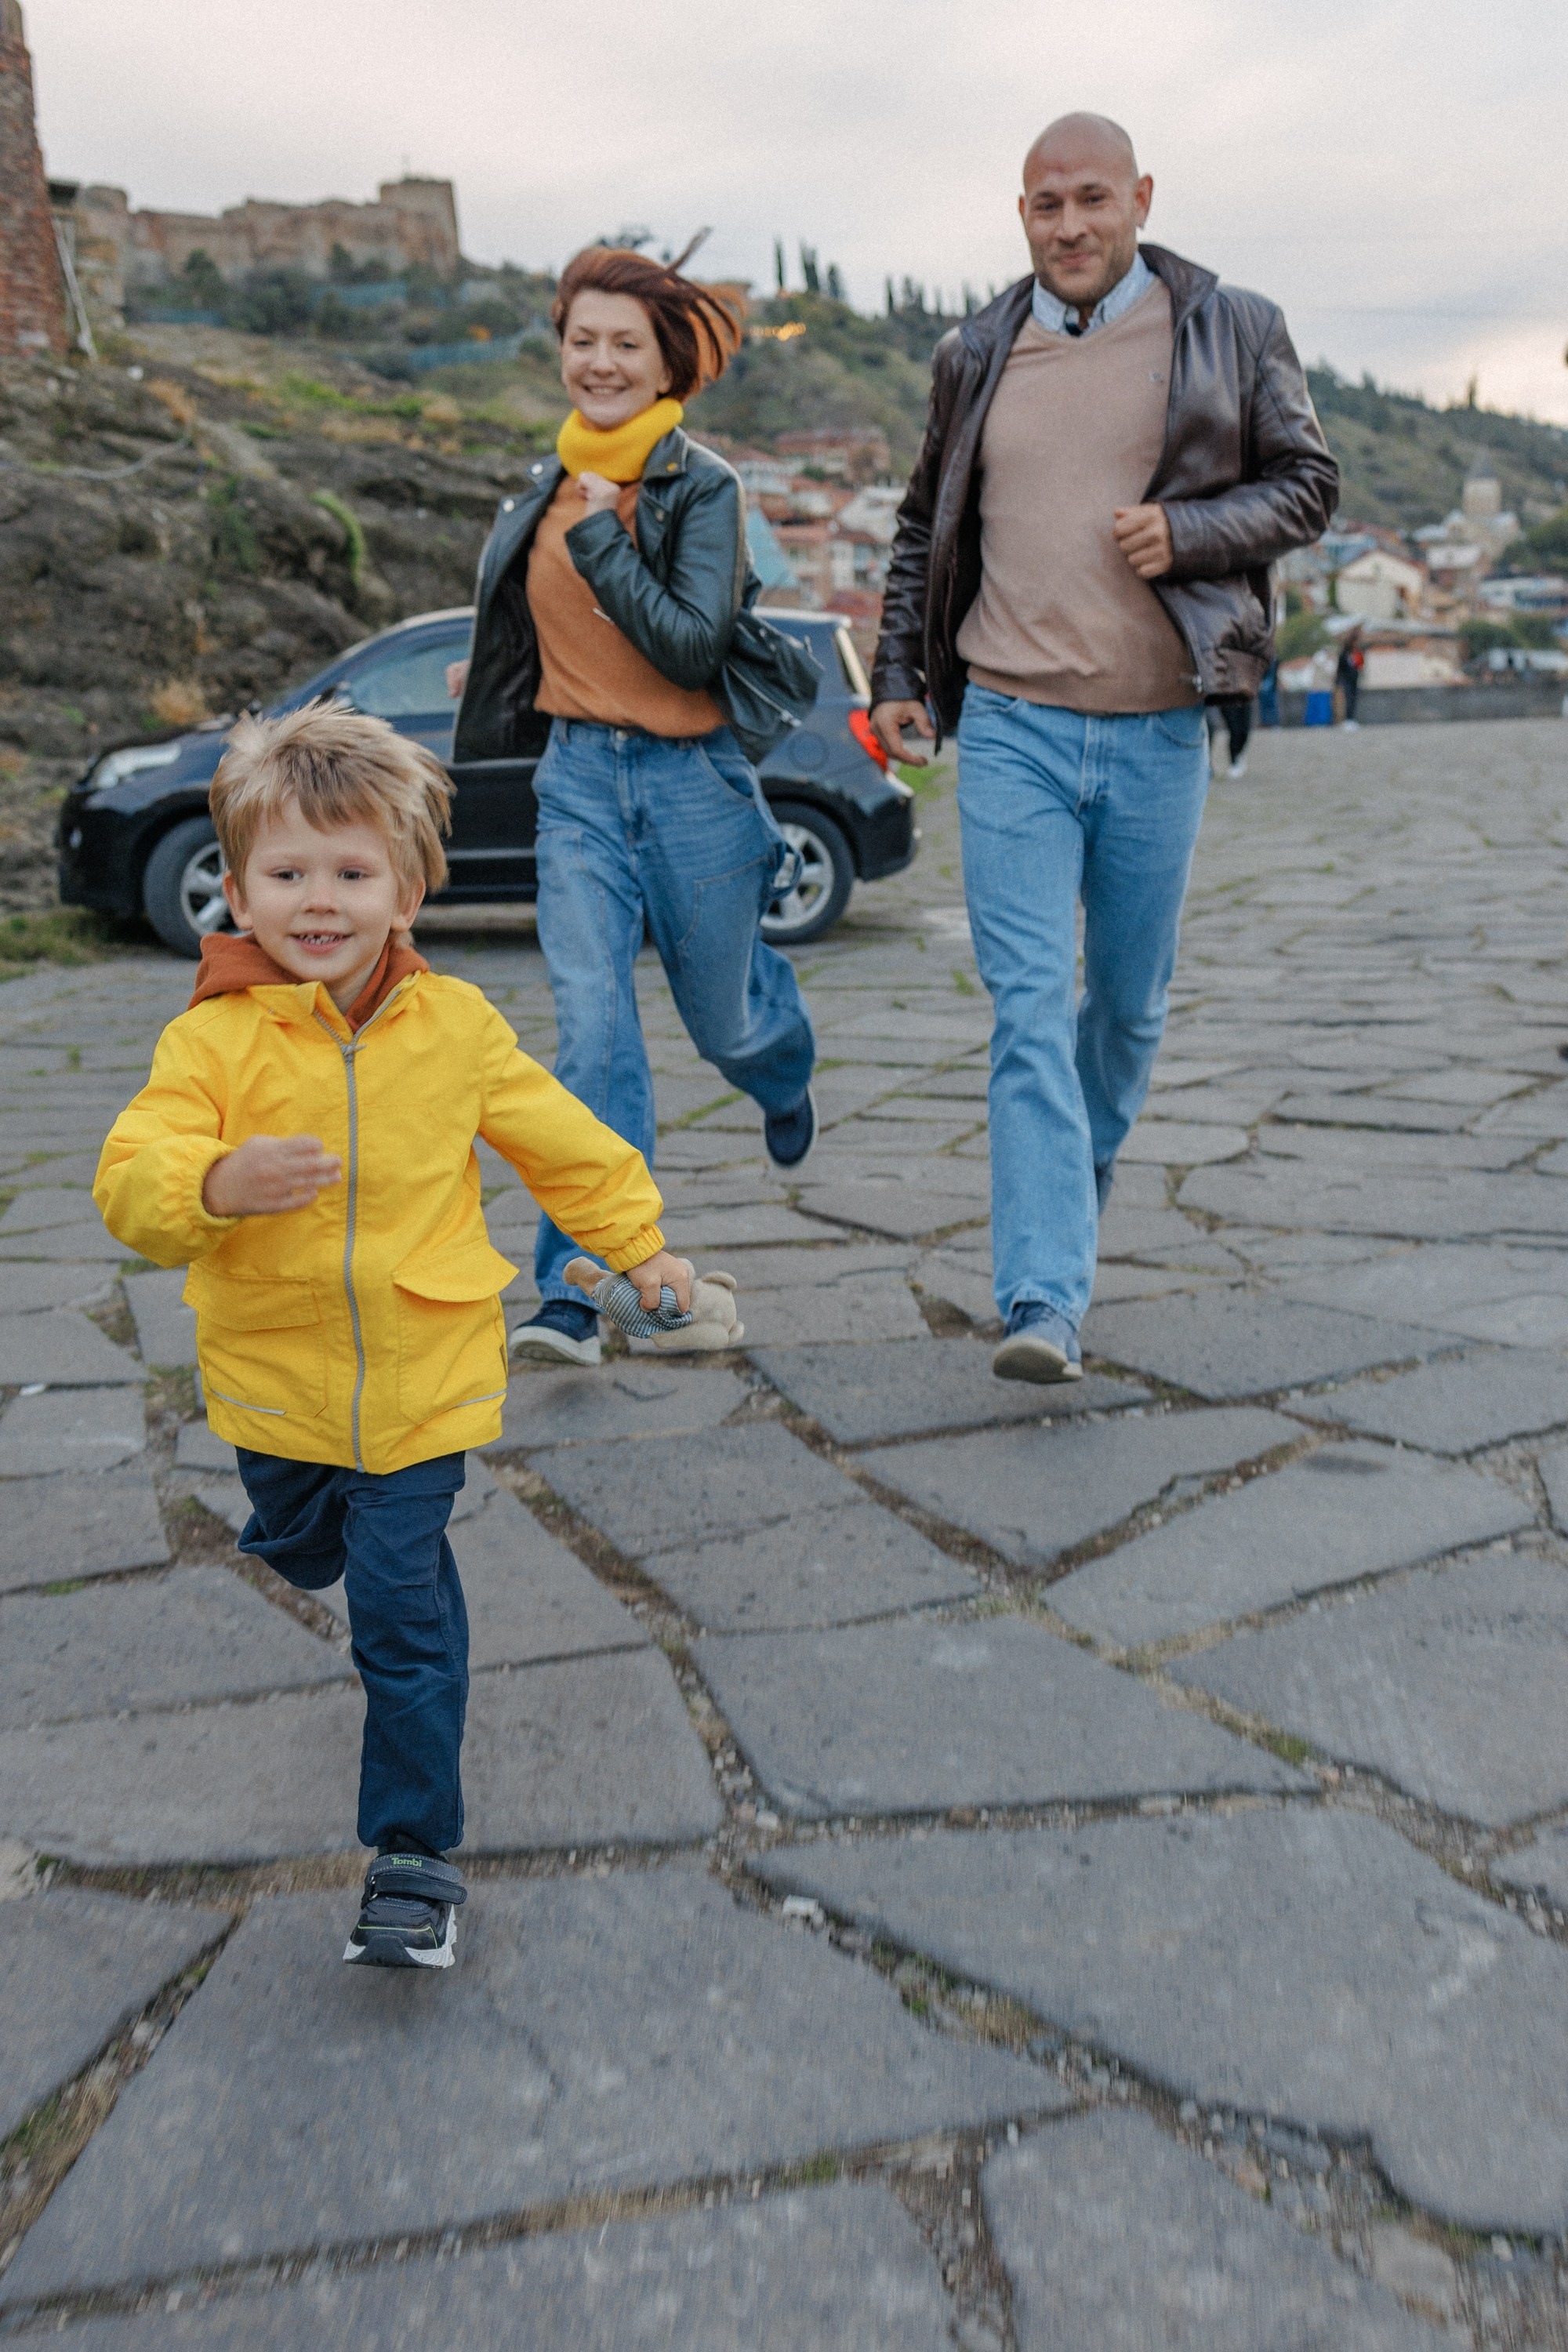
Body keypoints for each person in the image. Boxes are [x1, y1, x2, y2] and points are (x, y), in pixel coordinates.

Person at [94, 704, 691, 1969]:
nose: (320, 900)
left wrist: (638, 1247)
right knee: (308, 1548)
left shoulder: (460, 1029)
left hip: (425, 1375)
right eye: (288, 873)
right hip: (273, 1385)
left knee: (400, 1616)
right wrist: (210, 1183)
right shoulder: (210, 1040)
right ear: (239, 889)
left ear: (410, 887)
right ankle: (317, 1536)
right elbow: (130, 1174)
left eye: (352, 873)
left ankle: (414, 1858)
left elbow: (561, 1141)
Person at [869, 111, 1337, 1383]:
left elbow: (1309, 485)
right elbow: (923, 527)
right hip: (1012, 724)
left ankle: (1060, 1215)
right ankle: (1042, 1299)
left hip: (1157, 731)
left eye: (1089, 200)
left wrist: (1189, 536)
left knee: (1123, 1014)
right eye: (1042, 206)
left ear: (1138, 196)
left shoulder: (1229, 326)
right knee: (1028, 1014)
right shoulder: (978, 349)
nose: (1067, 227)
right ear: (1020, 215)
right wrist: (898, 676)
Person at [448, 246, 818, 1371]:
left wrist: (604, 538)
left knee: (725, 1023)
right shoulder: (541, 483)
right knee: (594, 1041)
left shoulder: (700, 484)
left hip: (692, 784)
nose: (599, 362)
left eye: (625, 345)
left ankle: (781, 1062)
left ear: (666, 366)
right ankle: (579, 1289)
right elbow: (531, 616)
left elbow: (691, 643)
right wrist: (496, 669)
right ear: (559, 347)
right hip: (578, 788)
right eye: (582, 340)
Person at [1208, 694, 1254, 777]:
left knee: (1244, 731)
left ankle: (1238, 755)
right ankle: (1234, 761)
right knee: (1234, 730)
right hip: (1226, 697)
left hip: (1244, 695)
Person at [1337, 626, 1365, 728]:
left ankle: (1352, 719)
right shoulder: (1344, 655)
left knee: (1353, 700)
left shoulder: (1358, 653)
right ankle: (1347, 720)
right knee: (1348, 700)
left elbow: (1361, 665)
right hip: (1346, 680)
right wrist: (1338, 681)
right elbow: (1340, 668)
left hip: (1354, 679)